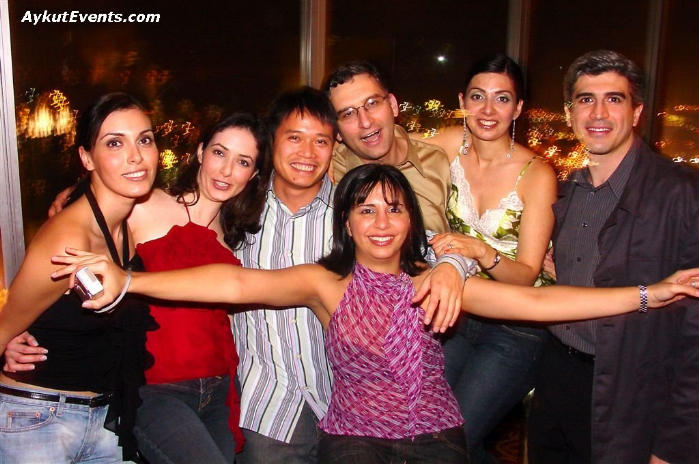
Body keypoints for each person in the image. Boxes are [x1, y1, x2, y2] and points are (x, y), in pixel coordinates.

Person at [53, 164, 698, 464]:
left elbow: (539, 300)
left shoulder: (436, 283)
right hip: (355, 442)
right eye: (366, 209)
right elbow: (236, 281)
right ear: (347, 223)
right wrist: (130, 279)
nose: (382, 221)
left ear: (411, 220)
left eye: (394, 208)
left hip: (435, 440)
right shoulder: (325, 284)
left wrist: (651, 292)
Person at [4, 112, 271, 463]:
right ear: (200, 152)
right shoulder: (143, 205)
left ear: (254, 174)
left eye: (243, 162)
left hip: (218, 387)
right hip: (156, 387)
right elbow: (66, 247)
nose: (226, 171)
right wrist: (17, 329)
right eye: (219, 153)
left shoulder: (239, 237)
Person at [527, 50, 699, 463]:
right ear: (569, 114)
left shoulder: (682, 193)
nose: (599, 113)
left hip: (630, 394)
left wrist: (674, 446)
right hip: (556, 374)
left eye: (614, 99)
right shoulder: (567, 191)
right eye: (586, 99)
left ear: (637, 112)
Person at [0, 93, 158, 462]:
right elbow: (4, 327)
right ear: (87, 158)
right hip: (38, 418)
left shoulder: (126, 223)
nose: (135, 156)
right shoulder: (69, 237)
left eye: (145, 140)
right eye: (115, 143)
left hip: (104, 418)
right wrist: (9, 341)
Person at [424, 54, 557, 462]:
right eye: (478, 96)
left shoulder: (537, 174)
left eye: (502, 99)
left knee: (454, 439)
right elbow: (390, 158)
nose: (487, 110)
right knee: (426, 428)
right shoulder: (449, 145)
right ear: (462, 101)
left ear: (518, 108)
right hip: (456, 314)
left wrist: (482, 251)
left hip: (517, 325)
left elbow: (526, 276)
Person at [323, 61, 452, 234]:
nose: (365, 122)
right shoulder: (330, 177)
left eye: (372, 103)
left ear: (392, 105)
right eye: (348, 114)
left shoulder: (437, 162)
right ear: (337, 131)